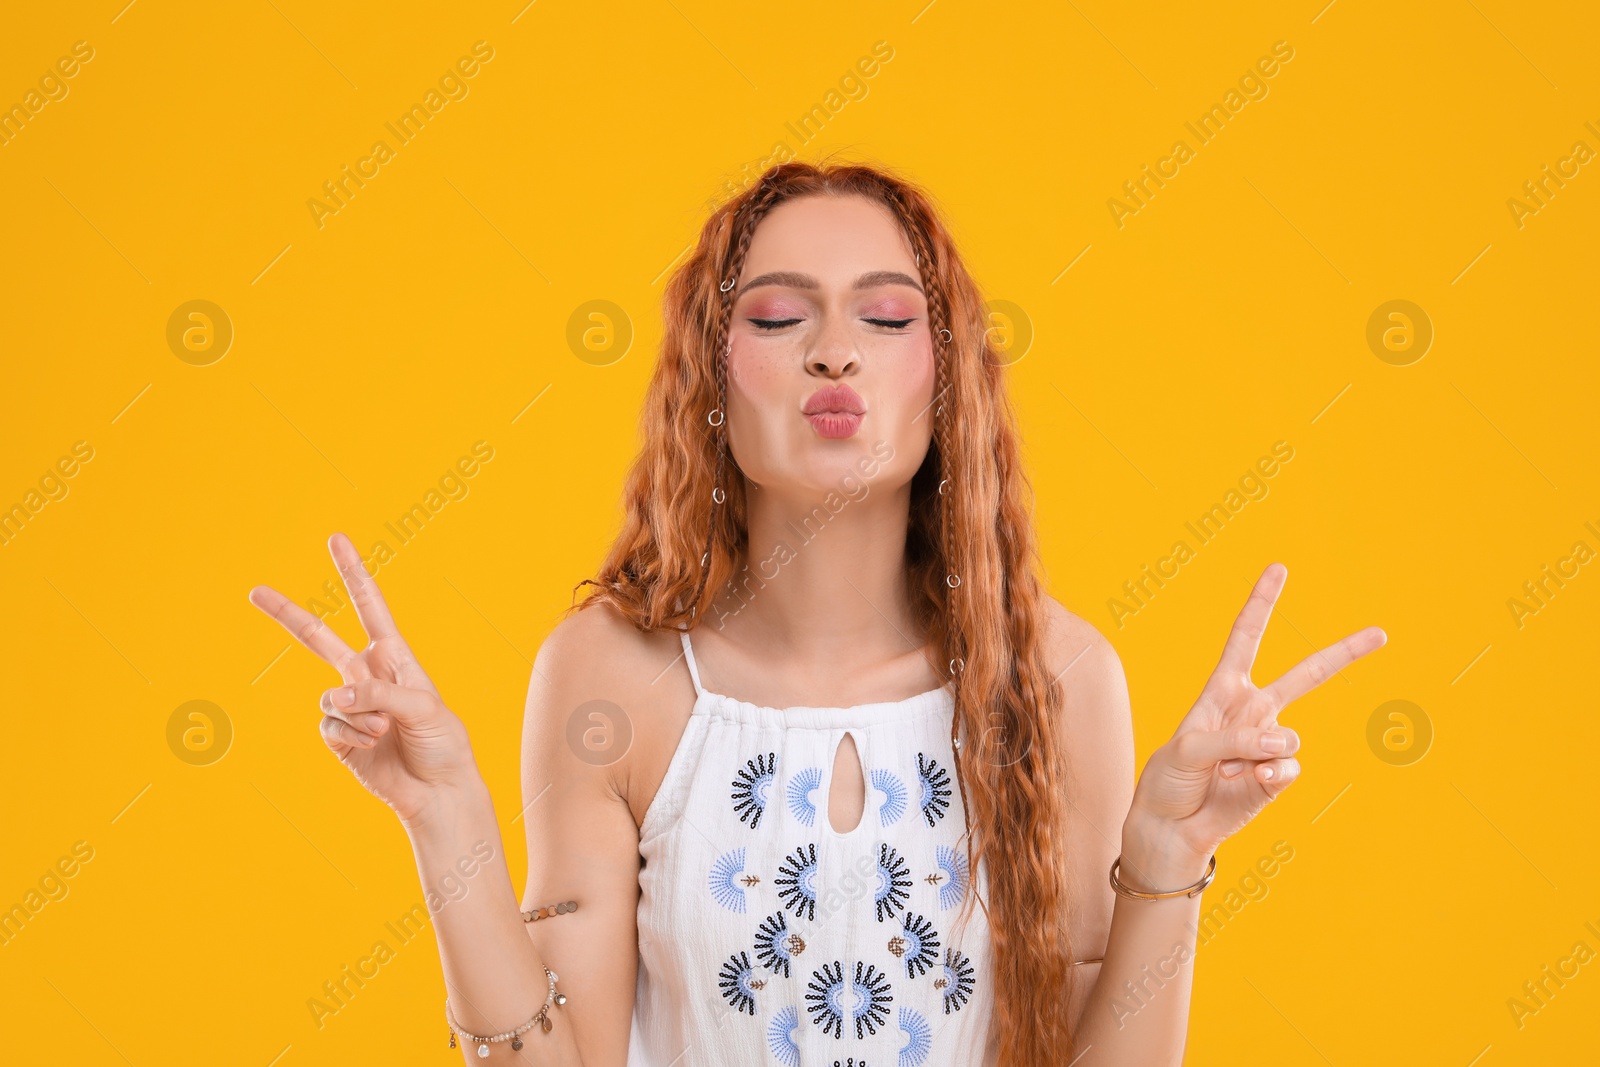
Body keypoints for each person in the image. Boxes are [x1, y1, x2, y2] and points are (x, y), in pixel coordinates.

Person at [249, 159, 1385, 1066]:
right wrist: (445, 819)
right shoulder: (607, 674)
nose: (835, 349)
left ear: (946, 384)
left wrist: (1169, 852)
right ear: (709, 381)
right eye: (781, 317)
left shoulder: (1062, 676)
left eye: (888, 319)